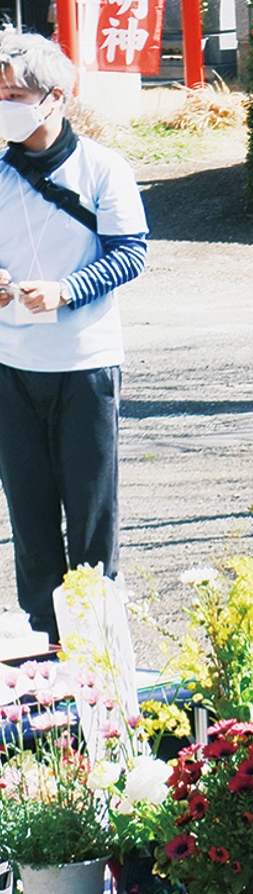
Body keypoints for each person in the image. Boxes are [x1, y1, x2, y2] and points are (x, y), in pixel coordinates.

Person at [0, 31, 147, 642]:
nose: (3, 104)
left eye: (13, 94)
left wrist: (66, 290)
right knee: (29, 514)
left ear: (54, 97)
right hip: (11, 362)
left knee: (91, 513)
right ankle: (42, 640)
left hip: (85, 361)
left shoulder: (103, 168)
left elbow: (130, 253)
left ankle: (94, 643)